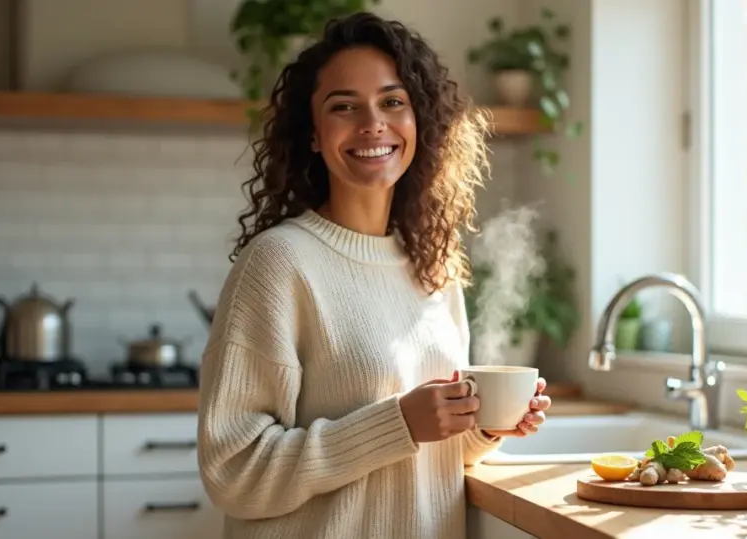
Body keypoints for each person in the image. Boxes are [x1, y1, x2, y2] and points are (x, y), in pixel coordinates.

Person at [196, 11, 552, 539]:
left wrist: (483, 427)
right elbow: (233, 470)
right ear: (314, 135)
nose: (372, 124)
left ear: (419, 123)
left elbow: (424, 458)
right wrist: (399, 424)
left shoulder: (435, 267)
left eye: (392, 102)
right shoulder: (279, 264)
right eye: (344, 107)